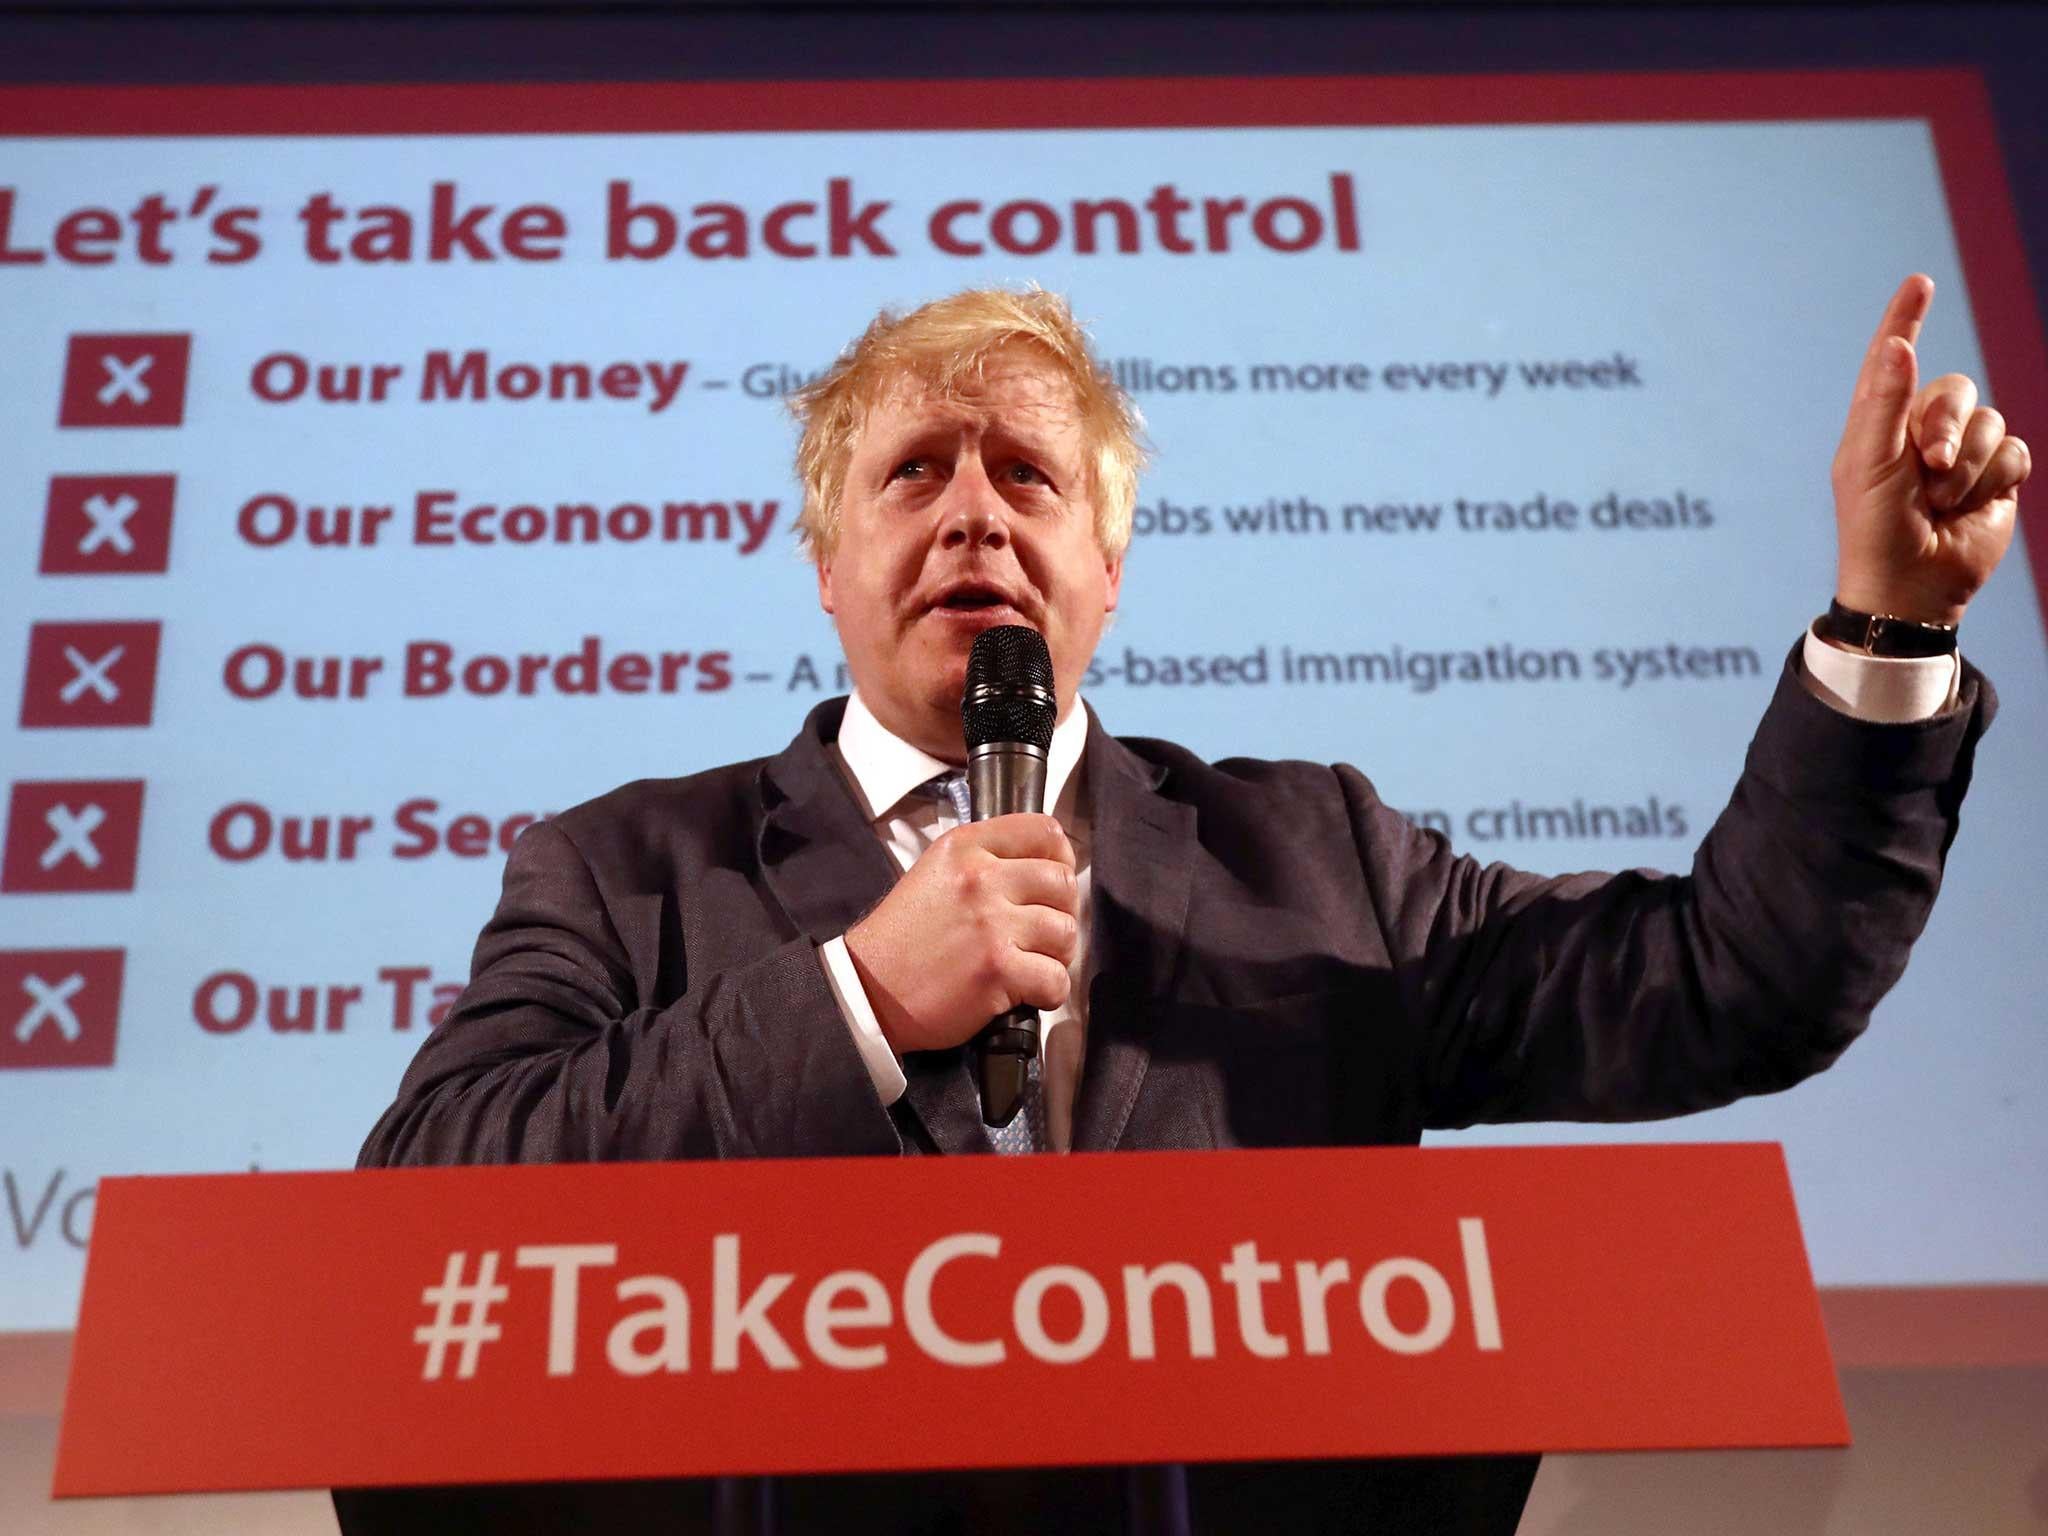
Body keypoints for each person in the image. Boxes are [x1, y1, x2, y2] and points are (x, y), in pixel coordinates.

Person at [337, 279, 2022, 1535]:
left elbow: (1729, 981)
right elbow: (425, 1216)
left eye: (1029, 475)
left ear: (1111, 566)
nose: (976, 511)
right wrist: (857, 997)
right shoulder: (626, 868)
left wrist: (1887, 628)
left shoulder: (1317, 856)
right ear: (826, 564)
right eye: (915, 474)